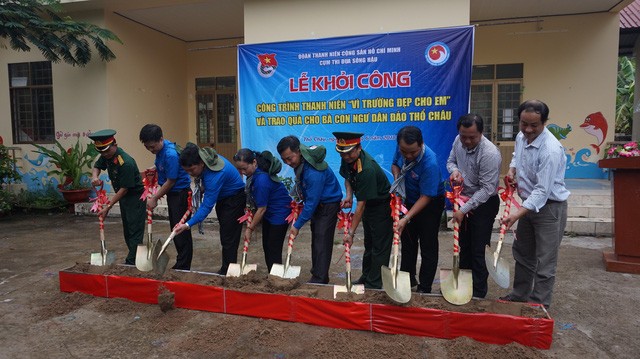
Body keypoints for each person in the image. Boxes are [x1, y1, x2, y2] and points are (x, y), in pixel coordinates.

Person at [500, 100, 570, 309]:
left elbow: (542, 191)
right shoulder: (522, 136)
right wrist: (512, 170)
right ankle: (520, 295)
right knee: (523, 253)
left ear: (544, 123)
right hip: (528, 205)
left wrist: (516, 214)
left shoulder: (551, 150)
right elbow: (517, 156)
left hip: (549, 208)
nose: (528, 130)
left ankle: (538, 305)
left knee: (545, 260)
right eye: (524, 124)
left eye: (534, 126)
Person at [446, 114, 501, 298]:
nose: (467, 141)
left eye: (472, 137)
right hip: (463, 199)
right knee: (463, 247)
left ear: (481, 133)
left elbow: (487, 189)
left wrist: (463, 210)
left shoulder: (490, 153)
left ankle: (478, 293)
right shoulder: (457, 140)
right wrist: (455, 171)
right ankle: (463, 288)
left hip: (484, 204)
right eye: (464, 136)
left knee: (478, 249)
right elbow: (451, 161)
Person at [277, 135, 342, 284]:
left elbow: (312, 203)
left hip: (327, 206)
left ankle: (320, 279)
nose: (288, 163)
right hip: (318, 205)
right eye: (284, 160)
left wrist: (297, 225)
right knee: (317, 240)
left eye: (290, 158)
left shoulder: (313, 172)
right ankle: (317, 272)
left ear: (298, 151)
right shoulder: (301, 163)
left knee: (322, 241)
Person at [173, 143, 246, 275]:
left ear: (201, 163)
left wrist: (187, 225)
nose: (190, 174)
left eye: (192, 170)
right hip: (223, 198)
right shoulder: (207, 159)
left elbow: (206, 207)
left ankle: (228, 272)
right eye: (186, 171)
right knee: (225, 235)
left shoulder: (215, 174)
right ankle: (226, 268)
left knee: (229, 238)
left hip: (234, 200)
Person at [333, 132, 393, 289]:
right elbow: (347, 177)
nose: (345, 157)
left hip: (381, 206)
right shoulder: (348, 158)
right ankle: (366, 277)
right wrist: (348, 195)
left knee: (380, 246)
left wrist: (351, 233)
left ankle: (375, 283)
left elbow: (361, 205)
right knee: (370, 243)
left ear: (359, 148)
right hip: (368, 204)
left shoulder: (367, 169)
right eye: (342, 153)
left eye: (348, 153)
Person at [390, 126, 445, 293]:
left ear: (421, 144)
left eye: (412, 153)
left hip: (430, 203)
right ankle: (407, 279)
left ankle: (425, 286)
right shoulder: (403, 148)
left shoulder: (430, 163)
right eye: (404, 151)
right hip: (409, 198)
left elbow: (426, 196)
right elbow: (395, 165)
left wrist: (406, 218)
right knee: (408, 240)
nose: (407, 156)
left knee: (427, 243)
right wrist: (398, 180)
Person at [139, 124, 194, 270]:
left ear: (161, 139)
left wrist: (154, 197)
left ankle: (183, 265)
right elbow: (164, 165)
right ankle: (182, 262)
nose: (151, 150)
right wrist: (155, 168)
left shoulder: (170, 154)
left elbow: (171, 181)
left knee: (180, 231)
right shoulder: (163, 149)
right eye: (147, 147)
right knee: (175, 228)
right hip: (173, 194)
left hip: (180, 194)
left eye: (152, 147)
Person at [89, 129, 146, 265]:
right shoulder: (106, 155)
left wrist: (108, 207)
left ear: (115, 144)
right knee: (127, 230)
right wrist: (95, 177)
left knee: (135, 231)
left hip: (135, 198)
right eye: (101, 152)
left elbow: (124, 189)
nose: (104, 154)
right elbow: (97, 166)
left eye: (107, 151)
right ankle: (136, 258)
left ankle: (132, 262)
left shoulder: (125, 162)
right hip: (124, 199)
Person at [233, 148, 292, 272]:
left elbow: (261, 209)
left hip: (279, 214)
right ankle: (273, 273)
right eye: (240, 169)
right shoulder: (255, 175)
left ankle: (277, 277)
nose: (243, 172)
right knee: (267, 245)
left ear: (254, 162)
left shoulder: (261, 180)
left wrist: (249, 229)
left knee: (273, 247)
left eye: (244, 168)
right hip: (269, 214)